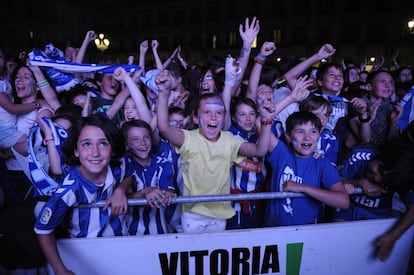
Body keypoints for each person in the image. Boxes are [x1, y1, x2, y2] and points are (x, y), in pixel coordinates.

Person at [155, 68, 276, 234]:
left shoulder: (230, 140)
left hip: (221, 214)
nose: (213, 118)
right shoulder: (188, 138)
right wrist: (163, 92)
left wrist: (266, 121)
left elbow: (260, 150)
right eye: (207, 112)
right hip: (193, 214)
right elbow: (163, 127)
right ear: (196, 118)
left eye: (218, 113)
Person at [34, 115, 127, 275]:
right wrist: (60, 269)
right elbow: (43, 230)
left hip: (122, 250)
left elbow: (129, 175)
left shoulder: (118, 169)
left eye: (103, 144)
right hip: (85, 254)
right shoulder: (68, 191)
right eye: (86, 144)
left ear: (113, 149)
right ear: (76, 150)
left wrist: (121, 190)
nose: (95, 153)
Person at [264, 111, 350, 226]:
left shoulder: (322, 164)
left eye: (313, 132)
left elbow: (344, 201)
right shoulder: (281, 153)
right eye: (300, 131)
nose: (307, 137)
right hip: (272, 229)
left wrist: (303, 188)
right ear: (288, 136)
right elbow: (261, 122)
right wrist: (292, 98)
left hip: (306, 232)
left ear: (319, 135)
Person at [120, 120, 176, 235]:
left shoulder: (163, 163)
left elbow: (167, 193)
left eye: (146, 137)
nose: (143, 143)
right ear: (126, 145)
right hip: (129, 234)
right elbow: (123, 198)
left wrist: (163, 194)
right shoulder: (123, 164)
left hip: (160, 232)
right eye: (136, 139)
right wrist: (146, 191)